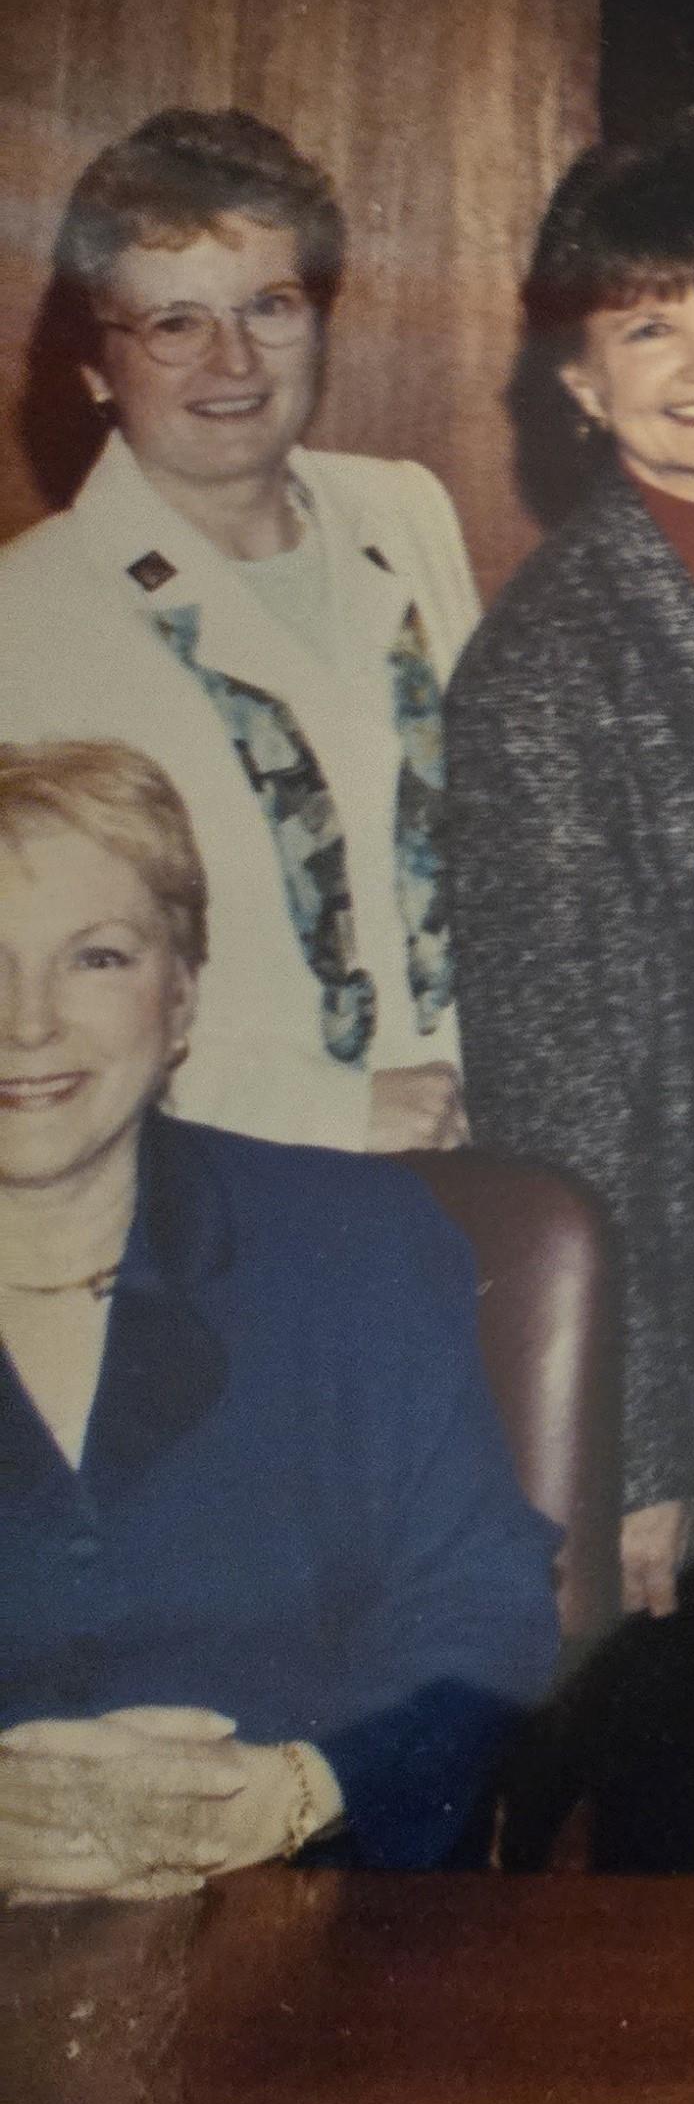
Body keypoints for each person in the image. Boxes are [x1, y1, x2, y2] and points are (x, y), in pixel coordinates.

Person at [0, 743, 557, 1888]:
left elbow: (481, 1606)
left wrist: (296, 1794)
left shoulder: (351, 1242)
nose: (28, 1024)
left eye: (95, 958)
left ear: (182, 996)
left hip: (308, 1921)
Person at [445, 118, 694, 1626]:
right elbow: (562, 1090)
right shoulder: (545, 665)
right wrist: (637, 1444)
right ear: (575, 377)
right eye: (645, 323)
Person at [0, 111, 478, 1152]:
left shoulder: (403, 515)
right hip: (212, 1191)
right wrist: (322, 1112)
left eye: (270, 305)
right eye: (175, 323)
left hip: (484, 1170)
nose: (235, 360)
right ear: (93, 364)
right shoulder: (24, 620)